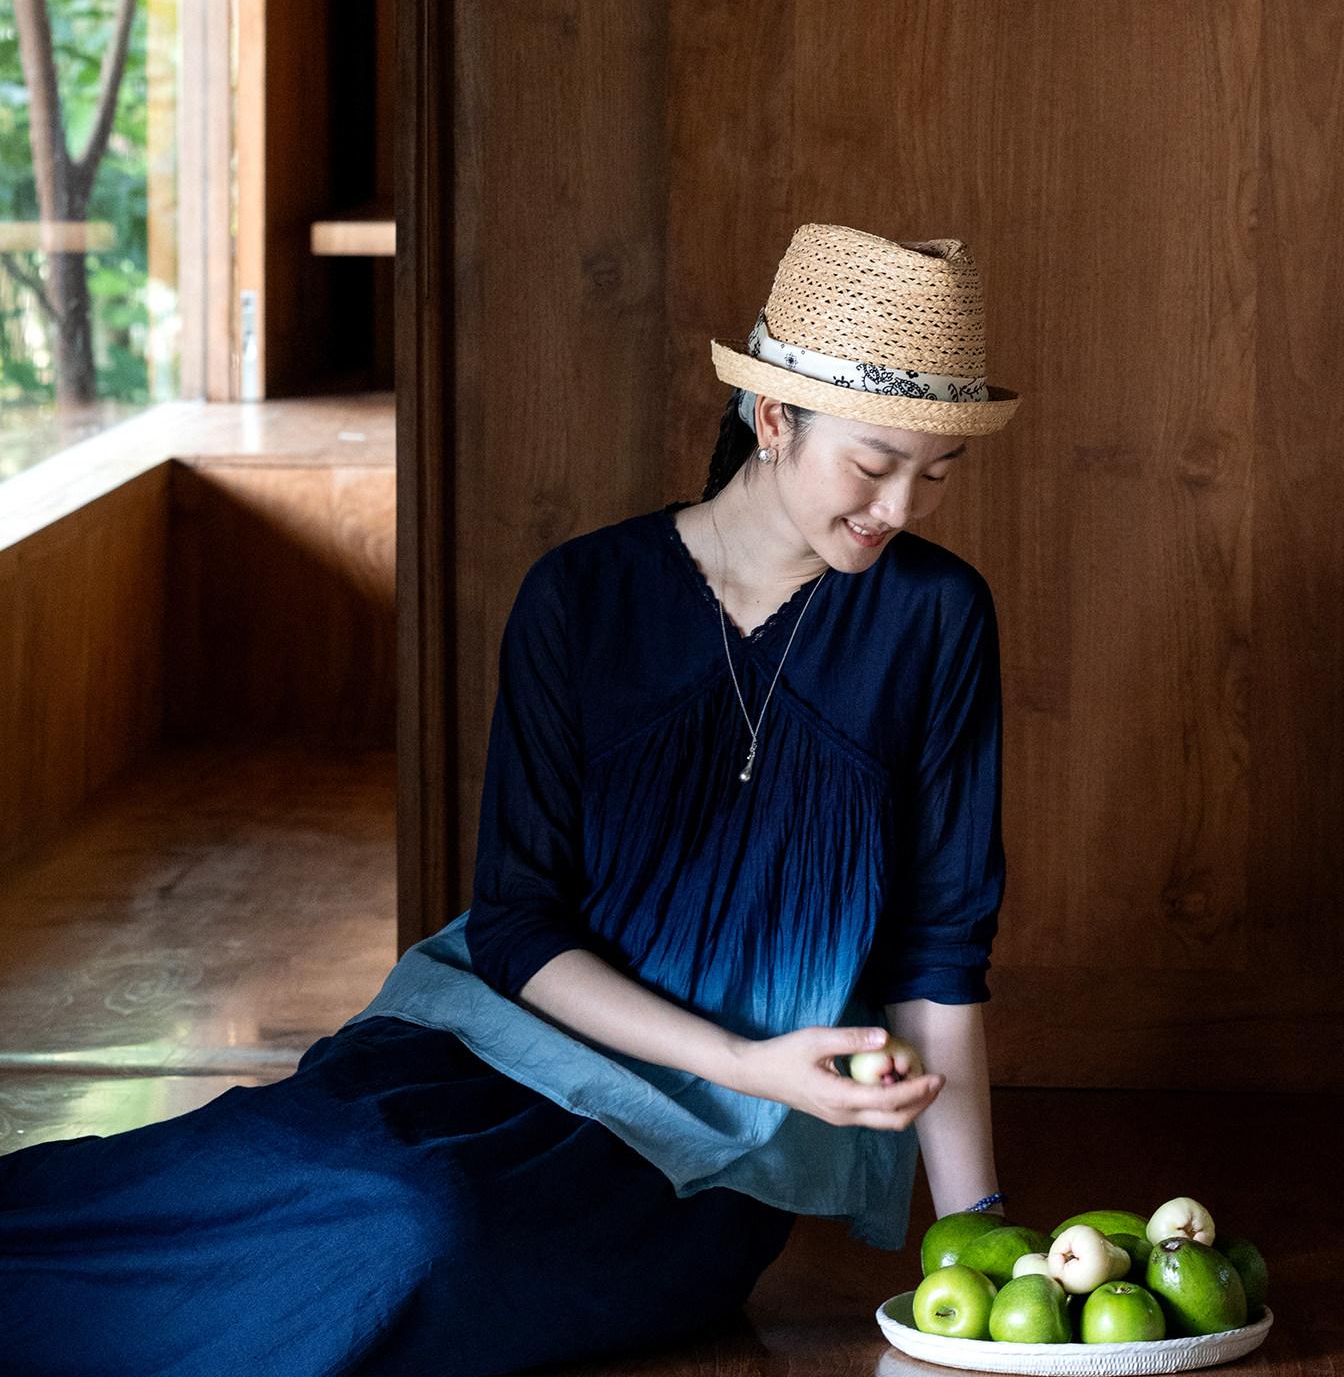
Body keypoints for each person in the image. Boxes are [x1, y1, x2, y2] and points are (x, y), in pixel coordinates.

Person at [0, 223, 1021, 1377]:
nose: (901, 508)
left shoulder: (935, 618)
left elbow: (941, 949)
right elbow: (518, 924)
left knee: (415, 1232)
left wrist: (979, 1229)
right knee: (256, 1175)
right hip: (488, 1046)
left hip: (704, 1165)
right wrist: (748, 1058)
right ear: (774, 420)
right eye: (875, 464)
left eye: (936, 474)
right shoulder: (580, 596)